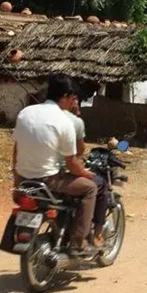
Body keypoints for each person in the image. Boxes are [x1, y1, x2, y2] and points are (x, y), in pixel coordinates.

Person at [12, 74, 97, 255]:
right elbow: (72, 163)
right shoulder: (64, 121)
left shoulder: (25, 113)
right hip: (49, 180)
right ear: (65, 97)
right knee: (90, 189)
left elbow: (16, 150)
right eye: (71, 98)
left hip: (24, 180)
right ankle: (78, 243)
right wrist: (86, 174)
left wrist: (16, 179)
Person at [63, 96, 109, 248]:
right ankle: (89, 236)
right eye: (76, 104)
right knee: (97, 185)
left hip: (32, 173)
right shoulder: (75, 122)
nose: (79, 109)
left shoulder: (36, 116)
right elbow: (78, 152)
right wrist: (83, 170)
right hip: (61, 173)